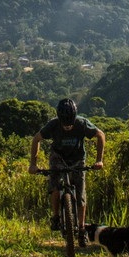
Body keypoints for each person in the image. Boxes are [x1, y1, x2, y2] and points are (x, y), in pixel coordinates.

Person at [29, 98, 105, 245]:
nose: (68, 127)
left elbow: (100, 135)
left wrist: (99, 160)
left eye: (70, 124)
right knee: (55, 187)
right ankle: (56, 217)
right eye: (65, 125)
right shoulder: (53, 125)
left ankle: (82, 229)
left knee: (81, 194)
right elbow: (36, 139)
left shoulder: (82, 123)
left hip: (77, 159)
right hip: (58, 158)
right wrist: (33, 164)